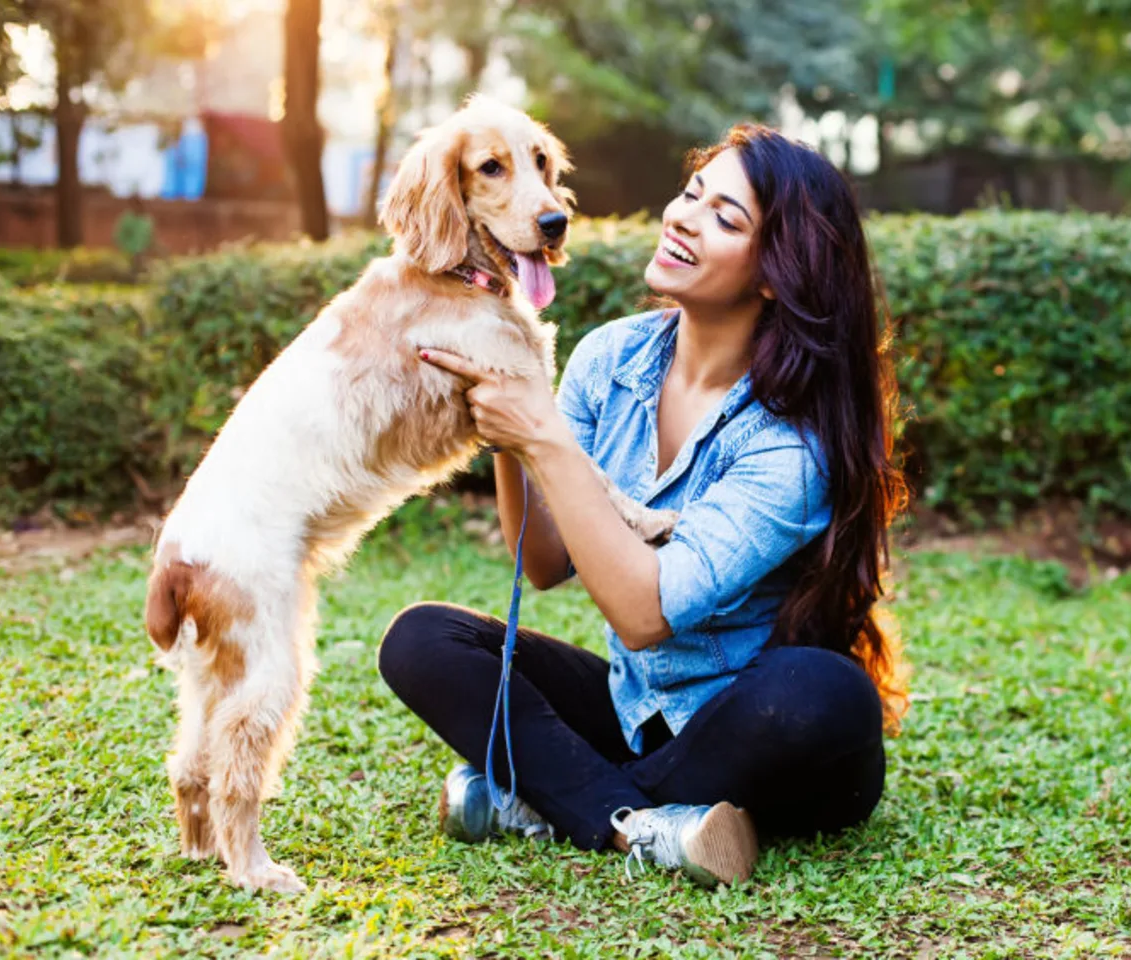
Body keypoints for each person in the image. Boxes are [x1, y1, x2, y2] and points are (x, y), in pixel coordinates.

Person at [378, 123, 909, 887]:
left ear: (775, 274)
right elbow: (544, 560)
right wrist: (505, 420)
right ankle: (649, 824)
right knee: (423, 639)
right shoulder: (610, 358)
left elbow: (645, 614)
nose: (685, 217)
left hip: (757, 731)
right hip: (637, 714)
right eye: (693, 194)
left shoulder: (792, 444)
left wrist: (544, 435)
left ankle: (557, 804)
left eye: (726, 219)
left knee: (825, 692)